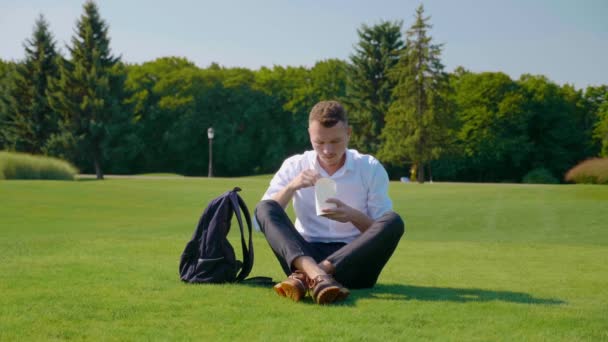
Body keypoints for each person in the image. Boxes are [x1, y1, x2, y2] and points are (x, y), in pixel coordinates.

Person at [254, 100, 405, 304]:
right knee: (265, 206)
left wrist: (351, 216)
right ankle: (314, 273)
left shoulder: (369, 167)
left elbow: (381, 232)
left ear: (349, 133)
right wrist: (291, 187)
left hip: (352, 261)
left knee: (394, 221)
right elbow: (259, 222)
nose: (327, 150)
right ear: (310, 135)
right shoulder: (295, 165)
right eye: (320, 143)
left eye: (335, 141)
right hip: (304, 255)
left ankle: (312, 276)